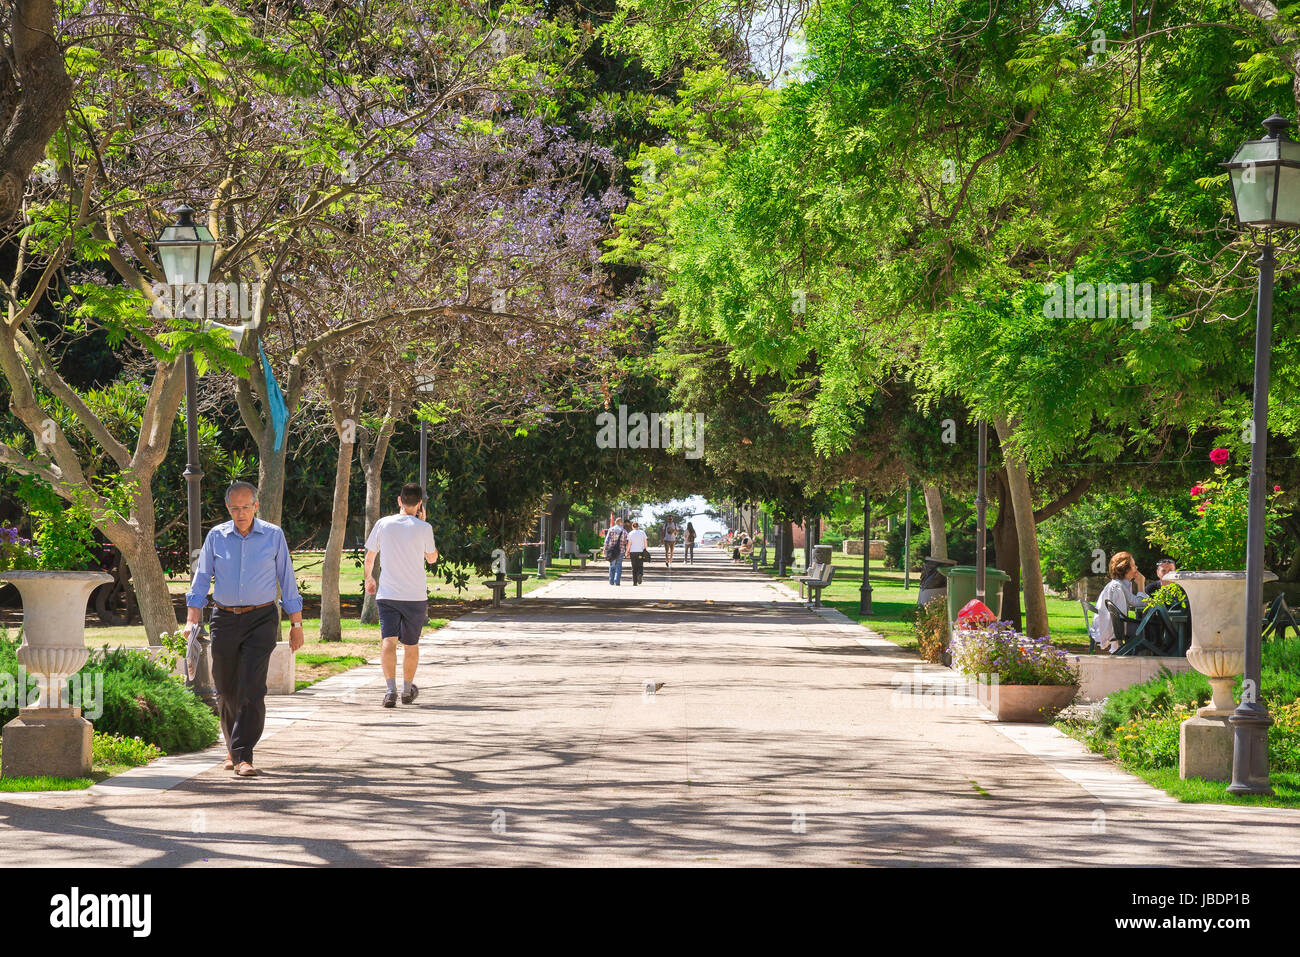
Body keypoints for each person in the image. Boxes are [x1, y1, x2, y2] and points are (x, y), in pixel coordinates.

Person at [186, 481, 304, 778]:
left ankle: (242, 756)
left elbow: (287, 579)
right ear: (228, 508)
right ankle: (233, 746)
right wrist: (192, 619)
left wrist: (296, 623)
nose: (240, 514)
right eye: (234, 508)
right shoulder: (217, 536)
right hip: (223, 618)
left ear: (256, 506)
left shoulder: (273, 535)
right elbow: (201, 580)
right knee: (225, 687)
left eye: (246, 507)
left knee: (251, 687)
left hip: (261, 618)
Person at [364, 482, 438, 708]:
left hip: (387, 594)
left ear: (399, 501)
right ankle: (407, 689)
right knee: (411, 644)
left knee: (388, 640)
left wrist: (369, 578)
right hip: (415, 595)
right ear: (419, 504)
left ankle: (390, 690)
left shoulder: (383, 524)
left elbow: (370, 557)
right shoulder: (424, 528)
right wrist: (422, 524)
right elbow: (432, 558)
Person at [1089, 551, 1149, 654]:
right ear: (1126, 569)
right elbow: (1140, 603)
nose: (1137, 568)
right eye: (1134, 565)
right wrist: (1141, 583)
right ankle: (1140, 659)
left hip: (1113, 625)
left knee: (1148, 628)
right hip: (1116, 628)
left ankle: (1133, 655)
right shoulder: (1118, 586)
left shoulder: (1118, 584)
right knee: (1150, 629)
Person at [603, 518, 628, 585]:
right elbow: (626, 541)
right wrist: (627, 551)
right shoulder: (624, 531)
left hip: (612, 551)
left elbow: (607, 541)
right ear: (620, 523)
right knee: (619, 565)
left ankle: (611, 581)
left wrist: (604, 550)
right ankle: (617, 582)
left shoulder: (611, 530)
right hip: (621, 550)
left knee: (612, 565)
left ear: (615, 522)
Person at [627, 520, 649, 585]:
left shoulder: (630, 533)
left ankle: (635, 582)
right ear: (638, 526)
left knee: (634, 567)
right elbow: (645, 542)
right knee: (640, 565)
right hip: (640, 552)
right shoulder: (642, 532)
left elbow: (629, 544)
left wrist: (627, 551)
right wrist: (645, 549)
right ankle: (640, 574)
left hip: (632, 552)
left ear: (632, 526)